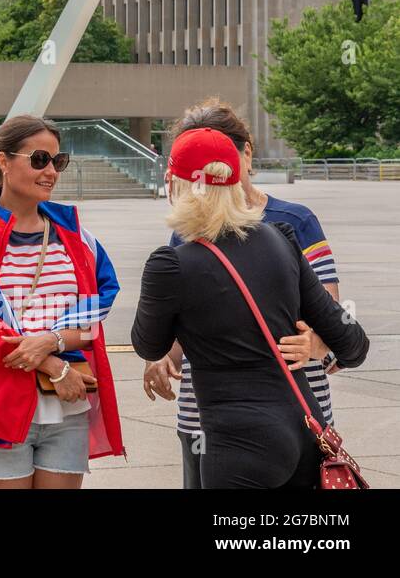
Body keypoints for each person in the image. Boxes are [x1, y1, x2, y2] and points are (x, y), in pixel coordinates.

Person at [131, 127, 369, 489]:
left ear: (177, 185)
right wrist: (315, 343)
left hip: (238, 443)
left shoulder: (171, 265)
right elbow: (353, 344)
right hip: (306, 430)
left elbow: (149, 345)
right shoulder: (283, 240)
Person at [0, 115, 124, 489]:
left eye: (57, 161)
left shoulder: (77, 237)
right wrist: (54, 365)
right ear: (3, 161)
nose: (50, 171)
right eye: (39, 160)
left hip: (66, 406)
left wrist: (53, 341)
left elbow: (96, 314)